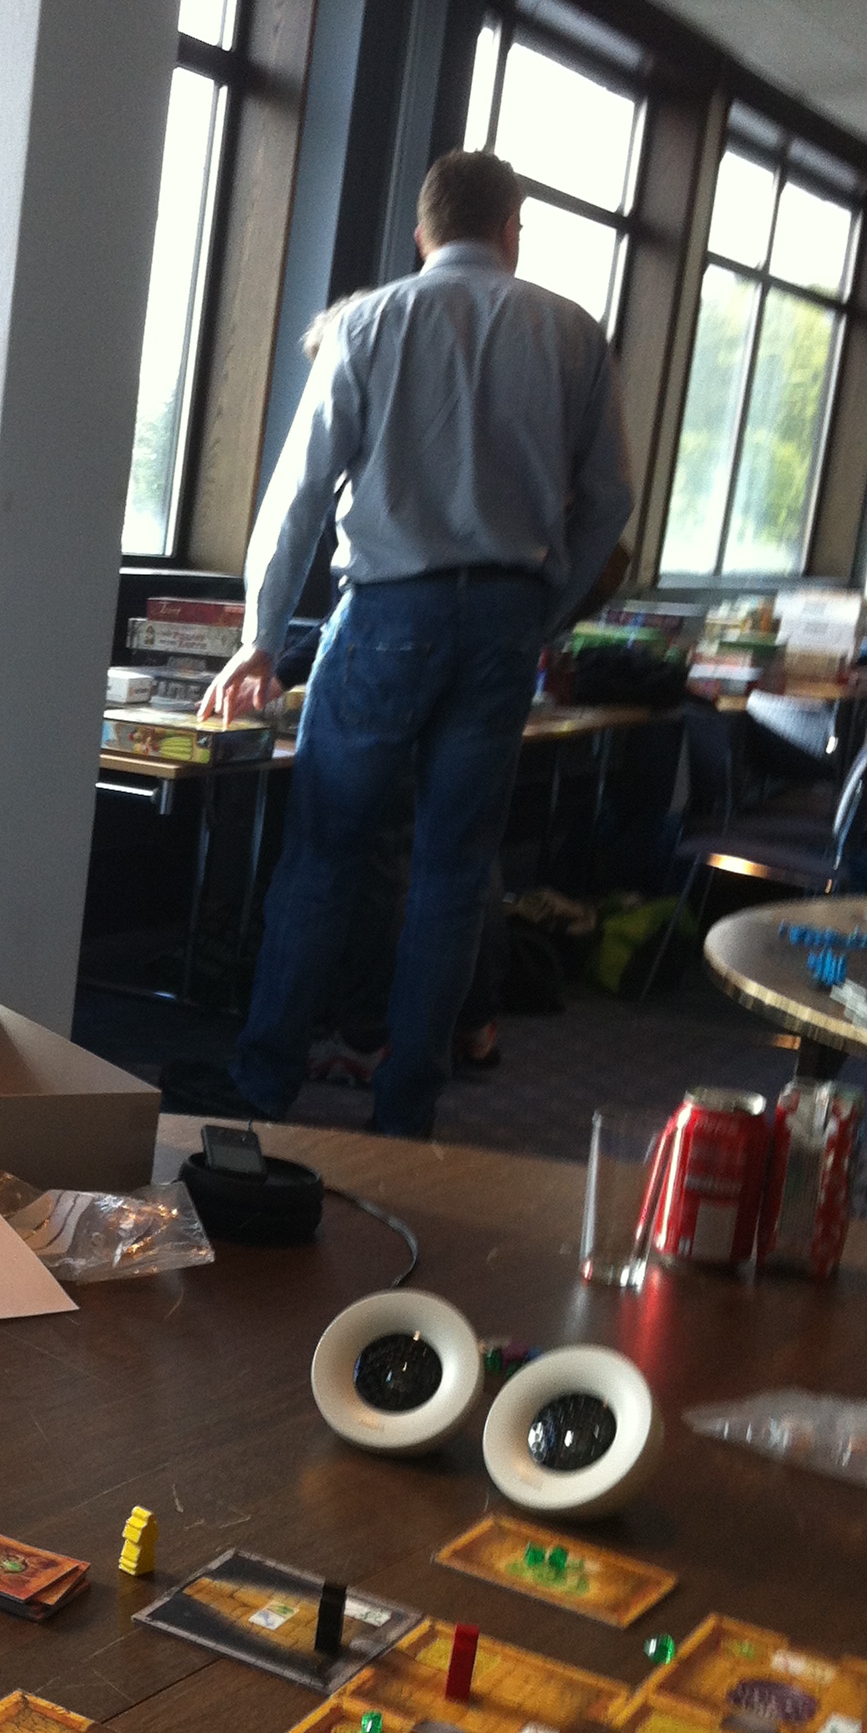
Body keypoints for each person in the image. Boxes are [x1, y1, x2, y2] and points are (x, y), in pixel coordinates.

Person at [173, 149, 632, 1138]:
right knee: (454, 872)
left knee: (323, 856)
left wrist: (260, 641)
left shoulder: (370, 323)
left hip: (387, 613)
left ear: (422, 234)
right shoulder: (573, 333)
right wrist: (544, 612)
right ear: (511, 230)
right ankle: (406, 1110)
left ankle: (264, 1083)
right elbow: (609, 505)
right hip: (505, 618)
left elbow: (298, 498)